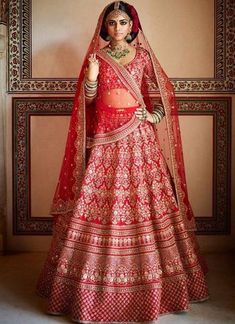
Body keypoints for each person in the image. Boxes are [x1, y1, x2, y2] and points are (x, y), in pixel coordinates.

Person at [36, 1, 209, 322]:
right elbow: (88, 100)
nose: (117, 28)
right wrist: (91, 75)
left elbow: (163, 94)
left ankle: (153, 282)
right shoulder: (97, 57)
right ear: (104, 27)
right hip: (104, 136)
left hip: (139, 136)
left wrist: (152, 114)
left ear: (133, 27)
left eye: (123, 23)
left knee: (143, 201)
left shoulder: (143, 57)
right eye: (112, 23)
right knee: (100, 203)